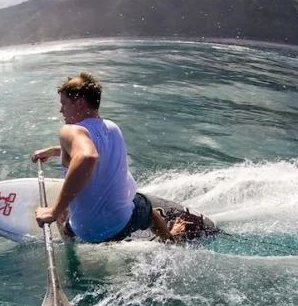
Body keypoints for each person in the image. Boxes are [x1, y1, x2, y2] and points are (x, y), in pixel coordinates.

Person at [31, 72, 186, 243]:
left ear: (80, 103)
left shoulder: (70, 130)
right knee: (148, 210)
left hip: (87, 231)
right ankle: (169, 238)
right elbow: (85, 150)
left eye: (64, 103)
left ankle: (68, 238)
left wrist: (54, 211)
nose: (61, 110)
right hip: (122, 224)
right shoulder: (112, 127)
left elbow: (87, 156)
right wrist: (52, 151)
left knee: (63, 216)